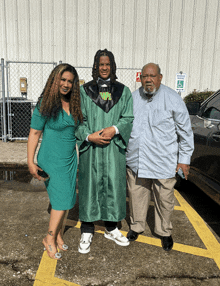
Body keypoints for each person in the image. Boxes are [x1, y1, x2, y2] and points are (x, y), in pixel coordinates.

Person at [126, 63, 194, 251]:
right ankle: (136, 226)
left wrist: (184, 160)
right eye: (145, 76)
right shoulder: (132, 98)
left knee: (164, 199)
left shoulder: (172, 99)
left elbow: (185, 132)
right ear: (140, 78)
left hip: (163, 160)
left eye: (152, 76)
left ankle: (164, 231)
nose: (149, 79)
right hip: (137, 159)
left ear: (160, 77)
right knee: (136, 194)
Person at [75, 49, 134, 254]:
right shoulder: (84, 91)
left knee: (113, 184)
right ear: (95, 66)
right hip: (91, 148)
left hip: (112, 149)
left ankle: (111, 227)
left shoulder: (123, 91)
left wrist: (115, 129)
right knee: (89, 185)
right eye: (101, 64)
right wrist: (89, 136)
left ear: (113, 66)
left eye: (108, 64)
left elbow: (128, 118)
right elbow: (78, 120)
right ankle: (87, 229)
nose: (104, 67)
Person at [27, 63, 83, 259]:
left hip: (69, 160)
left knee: (67, 200)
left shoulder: (74, 103)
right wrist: (30, 162)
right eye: (63, 79)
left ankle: (59, 234)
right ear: (55, 80)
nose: (66, 84)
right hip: (51, 159)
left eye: (70, 81)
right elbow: (34, 133)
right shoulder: (46, 103)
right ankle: (49, 239)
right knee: (60, 201)